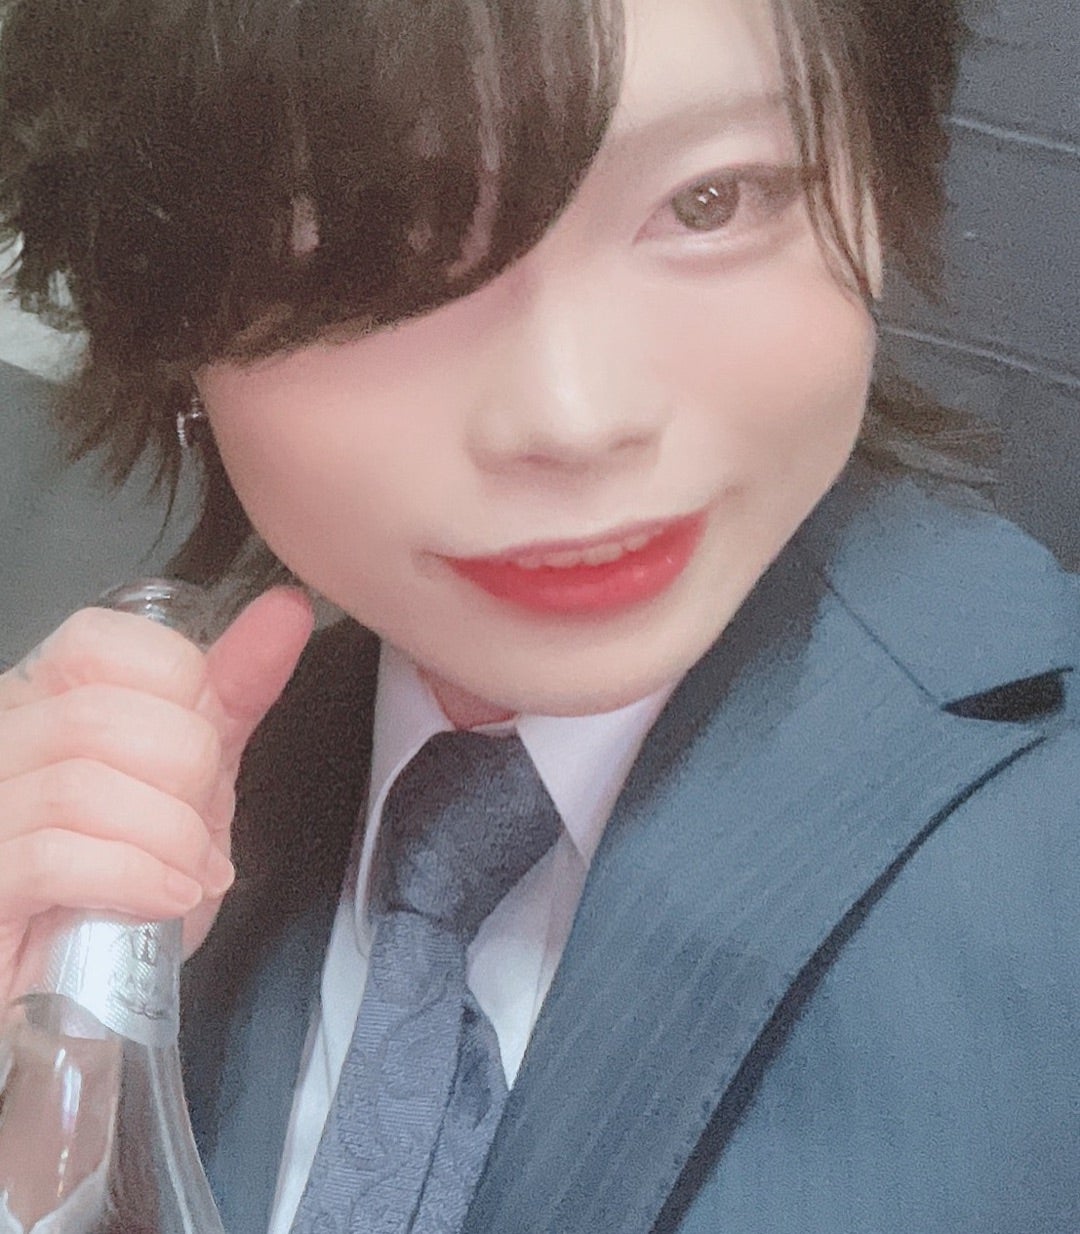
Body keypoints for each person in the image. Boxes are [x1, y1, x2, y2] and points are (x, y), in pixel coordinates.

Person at [0, 0, 1077, 1231]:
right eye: (370, 246)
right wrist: (43, 1099)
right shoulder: (167, 802)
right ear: (161, 310)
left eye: (711, 200)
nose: (574, 417)